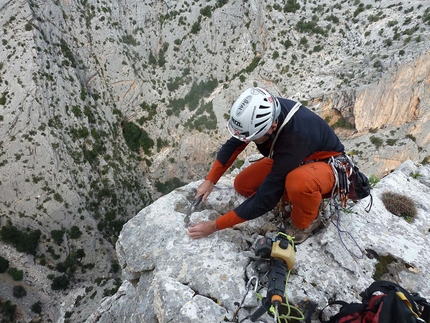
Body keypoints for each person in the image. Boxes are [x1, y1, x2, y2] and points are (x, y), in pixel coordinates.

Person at [187, 87, 345, 243]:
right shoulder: (263, 114)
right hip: (295, 159)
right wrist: (210, 180)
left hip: (327, 165)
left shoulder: (292, 139)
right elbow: (234, 144)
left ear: (272, 127)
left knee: (298, 182)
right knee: (243, 185)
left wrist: (215, 225)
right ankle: (292, 194)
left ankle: (307, 222)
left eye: (255, 138)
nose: (251, 140)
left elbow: (265, 199)